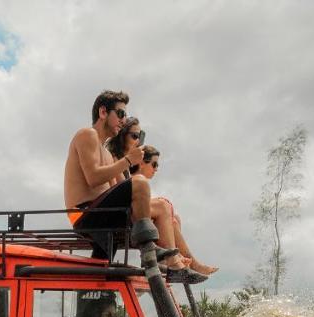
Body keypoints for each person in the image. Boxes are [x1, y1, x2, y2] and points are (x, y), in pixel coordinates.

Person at [62, 90, 161, 258]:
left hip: (100, 212)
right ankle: (150, 253)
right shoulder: (87, 134)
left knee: (161, 208)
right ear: (103, 112)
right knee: (141, 183)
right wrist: (128, 161)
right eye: (121, 113)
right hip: (85, 214)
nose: (123, 120)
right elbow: (93, 178)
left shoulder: (107, 154)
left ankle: (174, 263)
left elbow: (118, 188)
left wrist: (134, 167)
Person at [134, 145, 219, 278]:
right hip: (132, 217)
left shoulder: (139, 182)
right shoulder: (136, 181)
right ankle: (177, 260)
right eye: (154, 164)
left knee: (175, 219)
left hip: (140, 218)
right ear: (141, 163)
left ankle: (180, 258)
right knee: (164, 206)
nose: (156, 169)